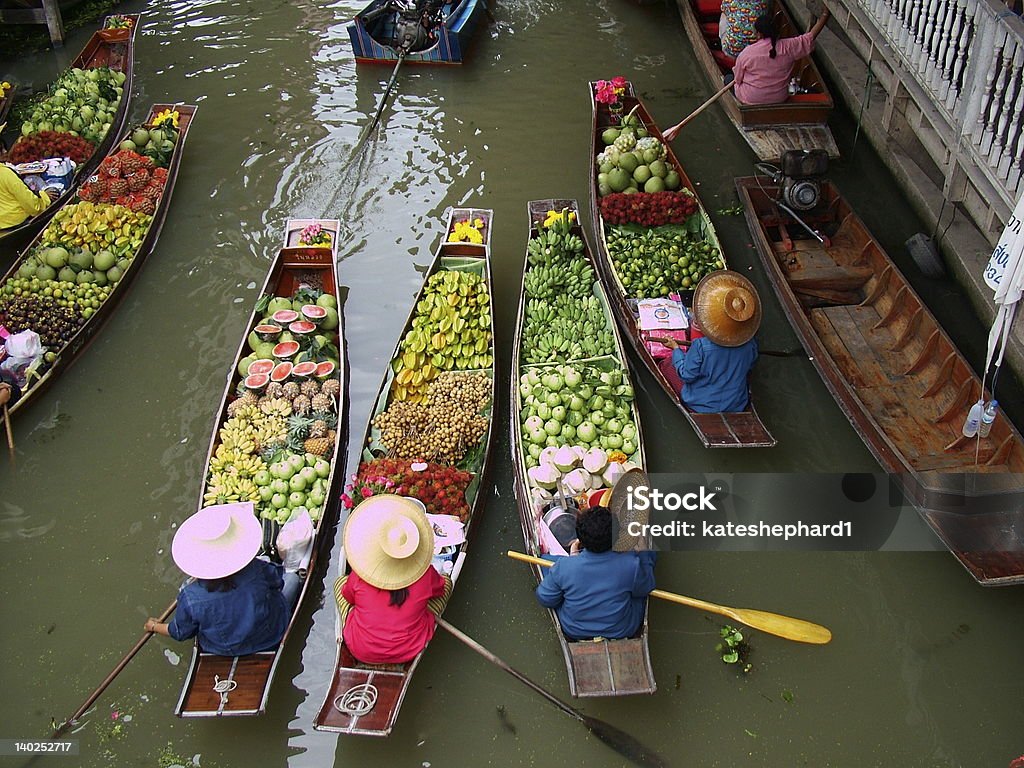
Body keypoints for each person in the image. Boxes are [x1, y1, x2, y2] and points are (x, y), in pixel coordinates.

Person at [144, 502, 300, 656]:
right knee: (292, 578)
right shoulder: (257, 568)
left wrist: (154, 626)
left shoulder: (190, 597)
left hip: (223, 648)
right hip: (270, 635)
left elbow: (180, 632)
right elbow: (278, 582)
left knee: (186, 588)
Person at [334, 495, 452, 664]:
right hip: (409, 648)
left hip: (361, 648)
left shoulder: (361, 575)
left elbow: (348, 597)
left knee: (340, 583)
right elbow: (440, 589)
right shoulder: (425, 575)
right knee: (447, 582)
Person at [535, 505, 656, 642]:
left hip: (574, 629)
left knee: (545, 563)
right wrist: (645, 553)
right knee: (640, 585)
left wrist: (573, 561)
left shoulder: (564, 566)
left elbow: (545, 598)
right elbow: (647, 587)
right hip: (622, 629)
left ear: (579, 539)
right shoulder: (631, 564)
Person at [656, 270, 761, 413]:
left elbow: (687, 375)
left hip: (701, 404)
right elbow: (749, 366)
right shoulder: (751, 344)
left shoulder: (701, 346)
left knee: (666, 365)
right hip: (737, 403)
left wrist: (675, 349)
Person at [733, 7, 830, 105]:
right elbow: (810, 37)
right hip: (779, 98)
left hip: (751, 98)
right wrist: (825, 15)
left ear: (759, 34)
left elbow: (737, 79)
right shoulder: (788, 47)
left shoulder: (747, 53)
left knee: (729, 78)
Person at [0, 156, 51, 230]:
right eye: (1, 150)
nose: (5, 152)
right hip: (17, 224)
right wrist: (45, 198)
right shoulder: (6, 174)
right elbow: (31, 204)